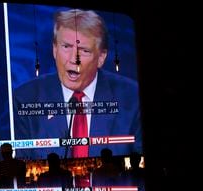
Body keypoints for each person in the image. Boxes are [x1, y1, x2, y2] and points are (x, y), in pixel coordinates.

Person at [13, 9, 141, 160]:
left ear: (101, 57)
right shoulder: (26, 97)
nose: (74, 59)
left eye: (84, 50)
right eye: (66, 47)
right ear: (54, 49)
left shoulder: (132, 98)